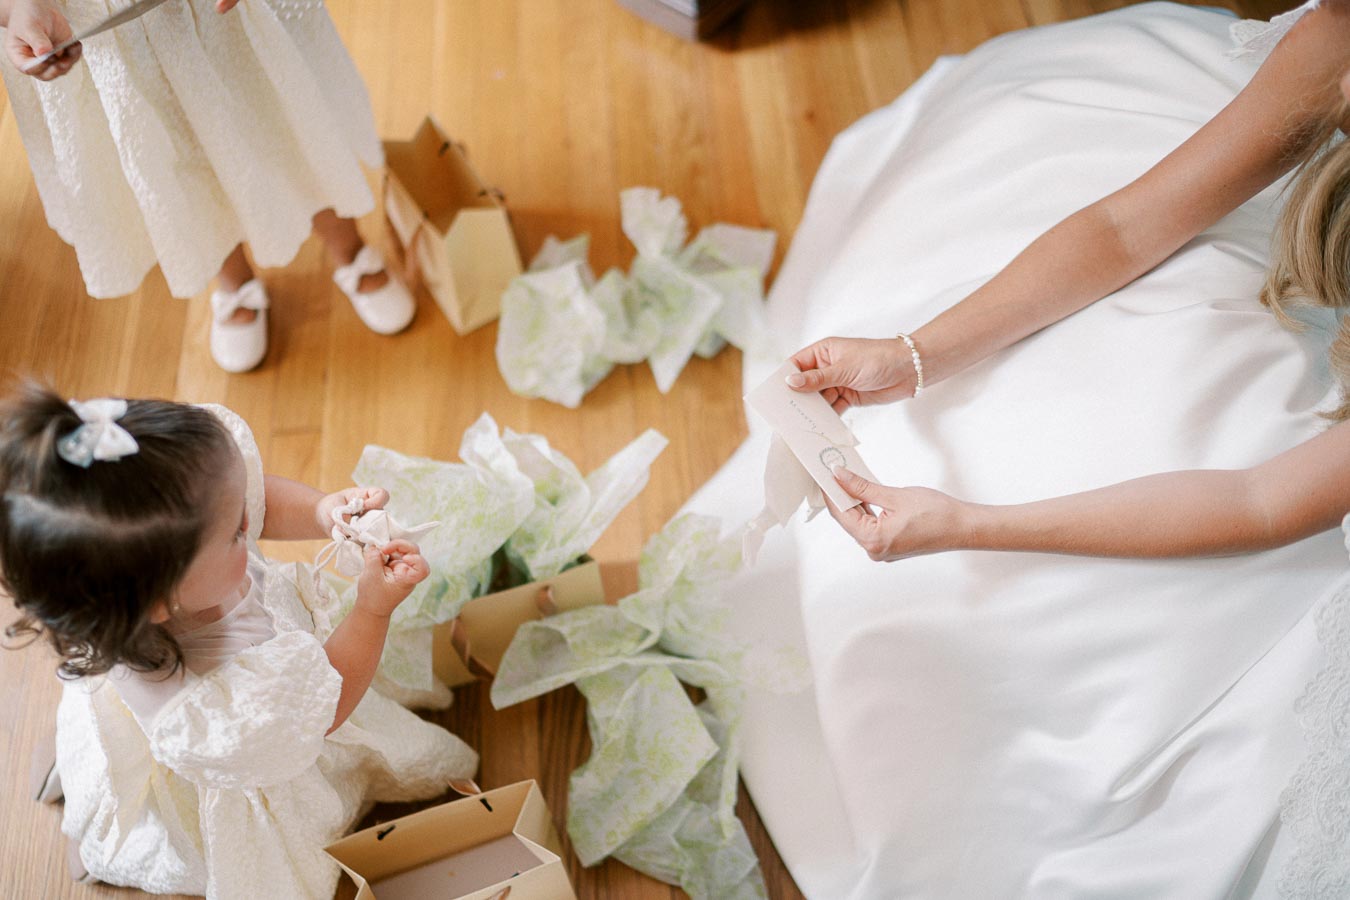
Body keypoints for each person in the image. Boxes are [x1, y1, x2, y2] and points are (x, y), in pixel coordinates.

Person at [0, 383, 477, 897]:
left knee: (109, 740)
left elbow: (256, 501)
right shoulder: (217, 705)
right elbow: (327, 703)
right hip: (267, 738)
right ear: (162, 601)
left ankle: (85, 785)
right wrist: (371, 608)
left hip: (267, 698)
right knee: (137, 803)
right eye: (236, 533)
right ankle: (109, 841)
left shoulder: (163, 568)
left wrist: (322, 511)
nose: (250, 524)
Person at [0, 0, 416, 373]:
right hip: (86, 28)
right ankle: (233, 279)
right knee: (172, 156)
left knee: (281, 112)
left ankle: (349, 248)